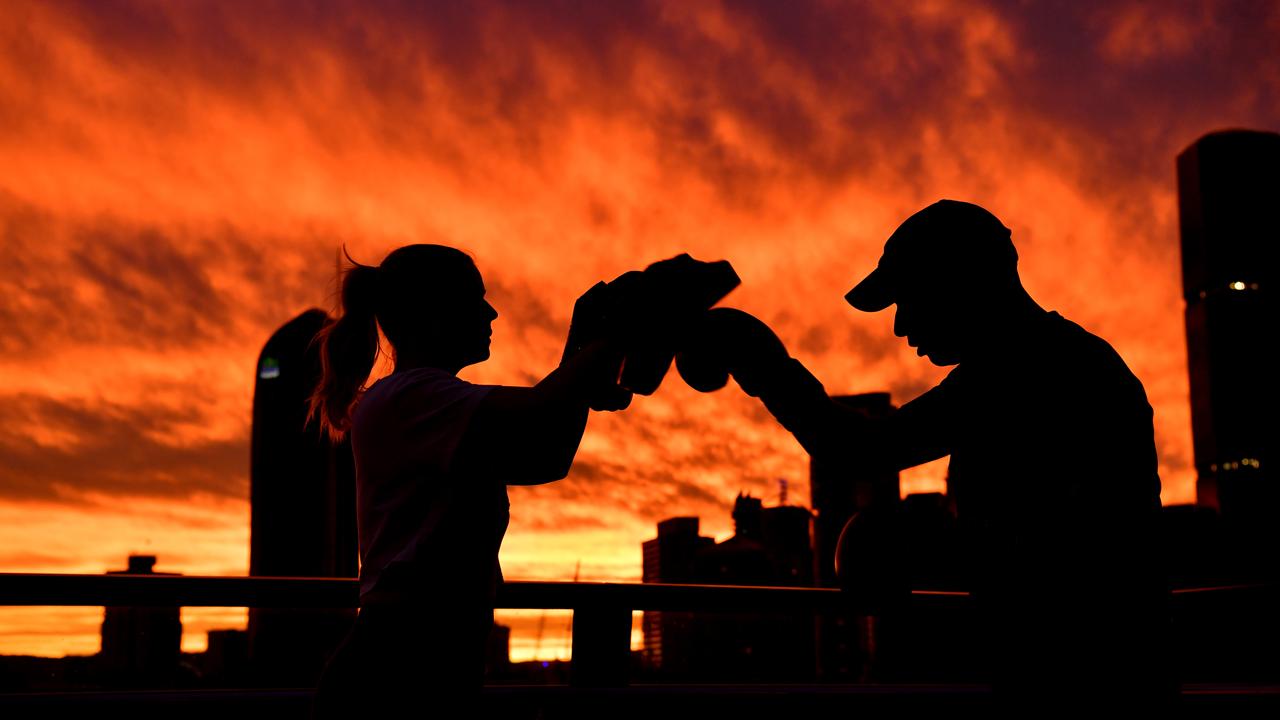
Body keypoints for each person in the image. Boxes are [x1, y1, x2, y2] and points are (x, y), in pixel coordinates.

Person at [676, 200, 1177, 708]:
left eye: (906, 298)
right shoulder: (1058, 361)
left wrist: (756, 356)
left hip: (1082, 687)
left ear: (956, 283)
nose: (899, 325)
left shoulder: (1017, 373)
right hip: (1103, 674)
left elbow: (859, 449)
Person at [308, 244, 627, 718]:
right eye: (475, 298)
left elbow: (546, 453)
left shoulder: (417, 398)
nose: (492, 311)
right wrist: (600, 344)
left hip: (418, 658)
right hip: (404, 665)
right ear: (433, 313)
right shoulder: (414, 395)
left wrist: (584, 357)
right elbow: (541, 426)